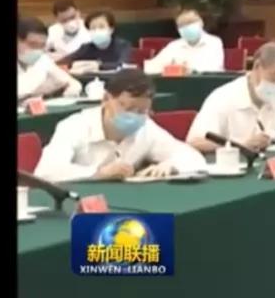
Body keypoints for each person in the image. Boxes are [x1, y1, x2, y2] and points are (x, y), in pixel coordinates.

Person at [34, 69, 207, 182]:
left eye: (143, 111)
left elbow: (192, 157)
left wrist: (171, 165)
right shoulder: (74, 126)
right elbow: (46, 172)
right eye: (128, 108)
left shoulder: (146, 127)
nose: (136, 116)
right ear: (106, 99)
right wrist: (98, 173)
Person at [187, 43, 275, 152]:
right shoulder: (223, 97)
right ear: (257, 66)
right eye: (274, 77)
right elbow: (195, 142)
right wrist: (240, 146)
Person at [18, 16, 82, 102]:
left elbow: (73, 83)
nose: (37, 50)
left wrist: (69, 91)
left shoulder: (42, 60)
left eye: (42, 46)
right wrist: (39, 90)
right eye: (32, 44)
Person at [143, 9, 225, 74]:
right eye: (182, 26)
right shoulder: (174, 46)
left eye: (191, 23)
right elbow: (151, 68)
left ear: (201, 23)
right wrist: (170, 69)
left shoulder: (214, 42)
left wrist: (188, 69)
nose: (187, 28)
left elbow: (214, 68)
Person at [58, 10, 133, 70]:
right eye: (93, 28)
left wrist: (98, 65)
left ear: (111, 29)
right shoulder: (86, 48)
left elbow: (123, 64)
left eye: (101, 27)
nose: (97, 31)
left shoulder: (123, 45)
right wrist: (75, 65)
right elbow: (63, 62)